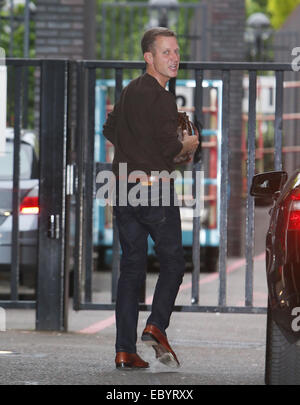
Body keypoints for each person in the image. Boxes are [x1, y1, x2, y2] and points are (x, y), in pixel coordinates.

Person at [103, 27, 199, 370]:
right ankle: (157, 325)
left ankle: (124, 350)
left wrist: (135, 146)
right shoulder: (162, 98)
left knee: (131, 270)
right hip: (154, 188)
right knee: (173, 263)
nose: (174, 58)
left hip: (122, 189)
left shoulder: (129, 91)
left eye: (176, 51)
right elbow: (169, 148)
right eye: (166, 52)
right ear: (149, 57)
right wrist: (188, 145)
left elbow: (109, 129)